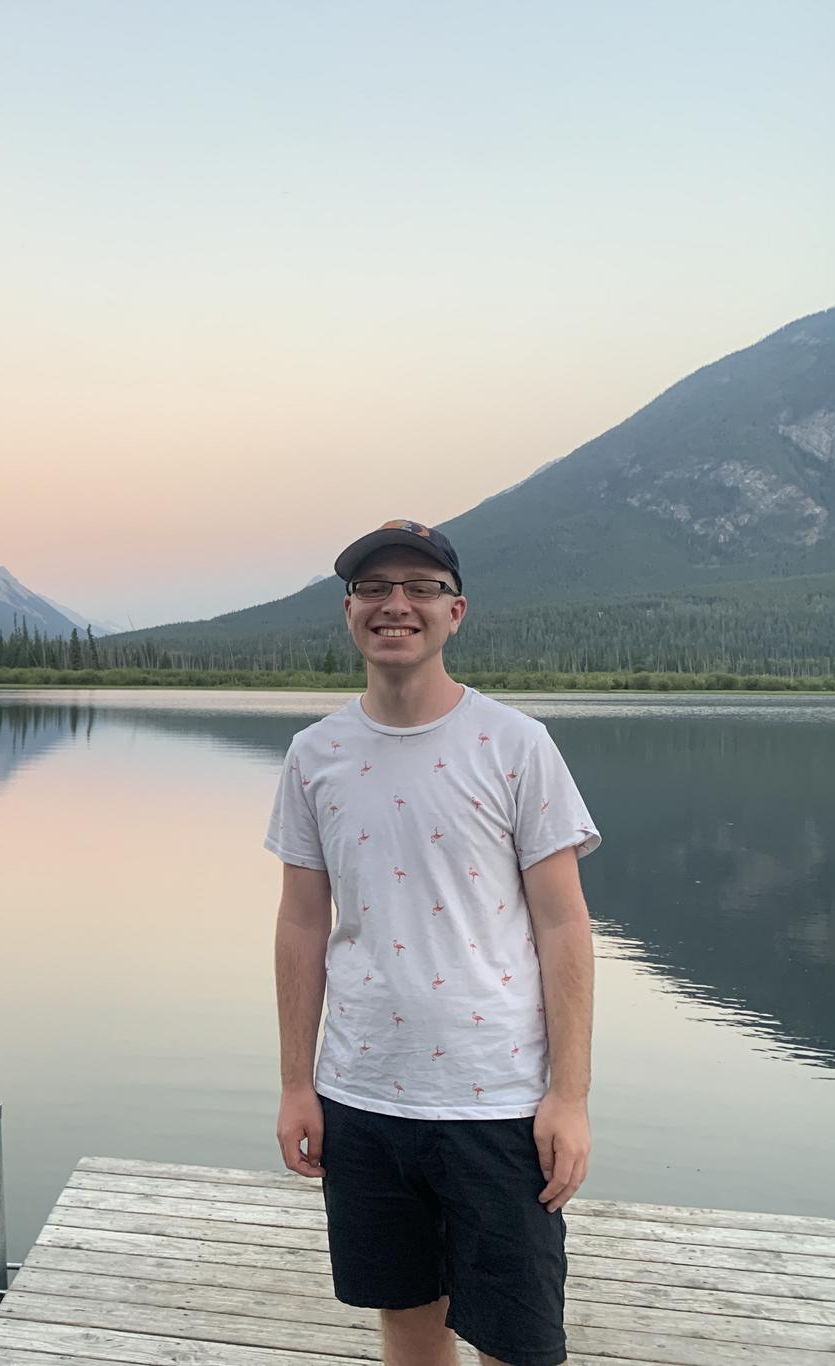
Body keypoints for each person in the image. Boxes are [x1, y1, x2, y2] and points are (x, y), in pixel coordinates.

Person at [265, 518, 601, 1366]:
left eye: (419, 588)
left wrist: (570, 1096)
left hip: (498, 1101)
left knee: (517, 1340)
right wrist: (295, 1084)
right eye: (374, 589)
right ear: (349, 612)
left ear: (457, 613)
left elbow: (565, 925)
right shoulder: (316, 755)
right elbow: (302, 924)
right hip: (363, 1093)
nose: (396, 606)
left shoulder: (517, 745)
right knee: (407, 1318)